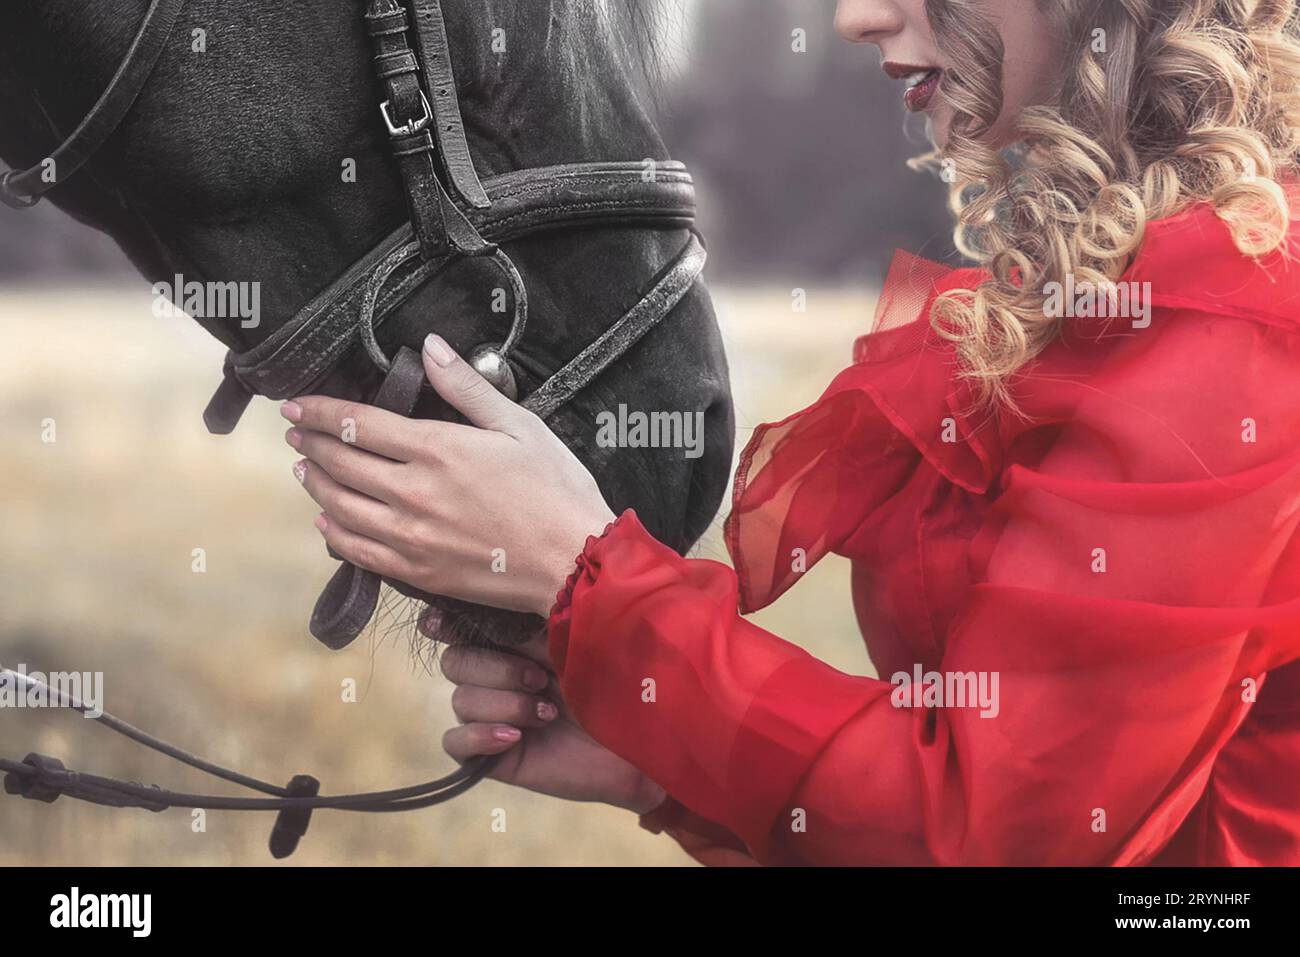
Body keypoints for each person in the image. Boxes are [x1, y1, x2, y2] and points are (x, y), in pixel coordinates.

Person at [278, 0, 1300, 865]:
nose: (855, 17)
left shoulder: (1234, 325)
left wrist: (578, 576)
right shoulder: (1150, 284)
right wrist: (662, 759)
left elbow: (984, 835)